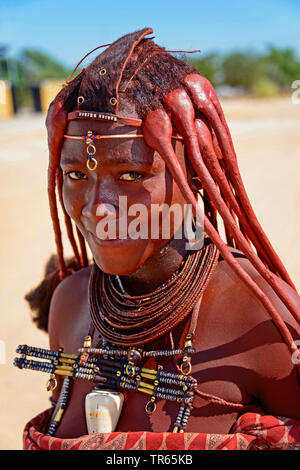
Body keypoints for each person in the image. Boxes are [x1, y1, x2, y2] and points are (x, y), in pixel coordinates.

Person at [21, 28, 300, 450]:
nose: (99, 206)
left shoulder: (262, 320)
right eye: (76, 175)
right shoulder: (70, 302)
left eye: (131, 175)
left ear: (197, 174)